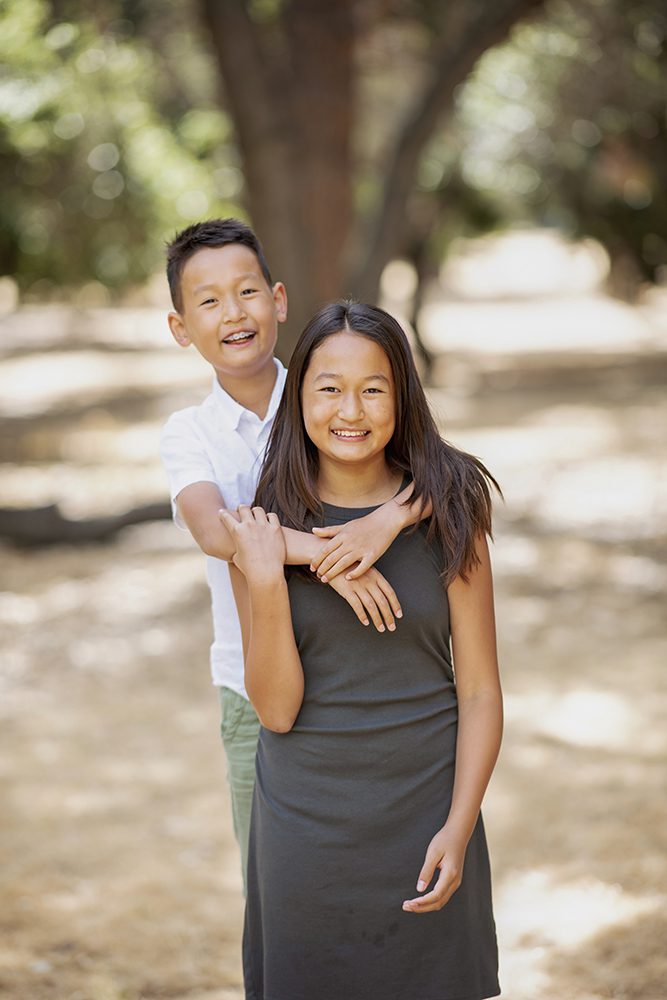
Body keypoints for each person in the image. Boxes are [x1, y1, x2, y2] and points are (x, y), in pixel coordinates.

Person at [221, 300, 503, 1000]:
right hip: (304, 830)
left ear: (401, 398)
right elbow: (277, 711)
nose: (351, 410)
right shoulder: (262, 529)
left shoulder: (450, 515)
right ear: (299, 399)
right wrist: (264, 577)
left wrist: (459, 827)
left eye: (373, 388)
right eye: (328, 388)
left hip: (424, 815)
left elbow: (479, 691)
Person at [159, 220, 429, 887]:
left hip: (361, 666)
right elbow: (216, 532)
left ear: (278, 301)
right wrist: (327, 557)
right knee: (277, 884)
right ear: (180, 327)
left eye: (247, 291)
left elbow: (436, 475)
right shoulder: (189, 435)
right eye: (209, 301)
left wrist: (385, 521)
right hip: (250, 684)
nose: (234, 313)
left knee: (380, 874)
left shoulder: (326, 394)